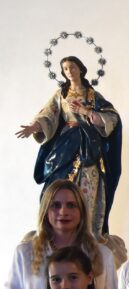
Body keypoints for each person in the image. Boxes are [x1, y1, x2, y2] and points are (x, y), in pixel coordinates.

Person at [15, 56, 122, 236]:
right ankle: (54, 232)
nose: (69, 71)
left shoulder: (93, 96)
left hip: (89, 147)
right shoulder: (61, 95)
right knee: (56, 185)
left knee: (90, 183)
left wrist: (86, 111)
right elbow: (49, 114)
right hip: (64, 148)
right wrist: (35, 127)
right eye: (65, 69)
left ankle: (87, 234)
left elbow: (112, 118)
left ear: (80, 69)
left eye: (72, 67)